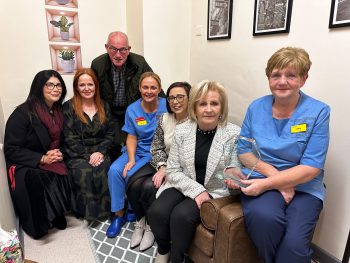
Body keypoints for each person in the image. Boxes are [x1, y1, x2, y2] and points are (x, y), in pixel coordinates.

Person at [230, 47, 330, 263]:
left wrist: (270, 183)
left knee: (293, 246)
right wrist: (276, 179)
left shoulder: (319, 111)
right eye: (276, 75)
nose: (282, 81)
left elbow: (312, 167)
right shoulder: (256, 107)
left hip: (304, 187)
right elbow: (244, 150)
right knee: (265, 220)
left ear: (303, 79)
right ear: (269, 78)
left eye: (291, 75)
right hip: (261, 177)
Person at [148, 80, 242, 263]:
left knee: (181, 216)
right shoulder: (182, 131)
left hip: (212, 190)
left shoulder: (233, 134)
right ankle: (163, 249)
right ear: (194, 107)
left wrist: (234, 177)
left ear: (222, 108)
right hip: (183, 182)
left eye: (214, 103)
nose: (208, 109)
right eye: (202, 103)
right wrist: (196, 190)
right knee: (156, 212)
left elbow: (234, 168)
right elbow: (173, 170)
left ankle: (176, 258)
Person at [4, 70, 71, 239]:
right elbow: (11, 149)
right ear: (39, 87)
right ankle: (40, 223)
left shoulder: (59, 111)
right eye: (50, 85)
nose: (56, 89)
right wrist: (42, 158)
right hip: (25, 161)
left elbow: (63, 139)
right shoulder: (22, 113)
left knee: (70, 165)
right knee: (37, 176)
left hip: (50, 155)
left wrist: (58, 153)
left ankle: (56, 212)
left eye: (59, 85)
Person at [126, 82, 192, 251]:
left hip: (181, 168)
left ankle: (151, 228)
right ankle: (140, 222)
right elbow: (156, 147)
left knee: (149, 186)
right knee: (133, 183)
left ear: (190, 98)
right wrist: (162, 166)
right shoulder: (164, 119)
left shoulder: (195, 122)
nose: (175, 101)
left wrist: (168, 170)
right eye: (171, 98)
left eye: (180, 97)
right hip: (162, 161)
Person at [106, 72, 167, 238]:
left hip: (154, 152)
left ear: (159, 89)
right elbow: (131, 137)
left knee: (131, 174)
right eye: (145, 87)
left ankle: (133, 207)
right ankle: (118, 215)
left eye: (153, 87)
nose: (149, 91)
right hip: (135, 149)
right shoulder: (132, 109)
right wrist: (131, 159)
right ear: (140, 88)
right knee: (115, 170)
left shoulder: (166, 106)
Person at [91, 31, 165, 156]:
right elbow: (92, 91)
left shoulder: (139, 62)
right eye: (113, 49)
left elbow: (154, 85)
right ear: (106, 47)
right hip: (109, 111)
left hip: (132, 110)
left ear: (129, 49)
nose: (118, 55)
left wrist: (171, 107)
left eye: (123, 50)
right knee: (113, 143)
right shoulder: (98, 64)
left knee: (134, 139)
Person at [62, 68, 116, 220]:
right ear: (76, 87)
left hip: (101, 150)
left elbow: (110, 133)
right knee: (84, 170)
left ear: (96, 86)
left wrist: (100, 152)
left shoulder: (104, 106)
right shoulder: (68, 107)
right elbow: (69, 138)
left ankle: (105, 211)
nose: (86, 88)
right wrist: (88, 155)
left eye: (90, 84)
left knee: (104, 167)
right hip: (77, 153)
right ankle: (88, 213)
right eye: (82, 85)